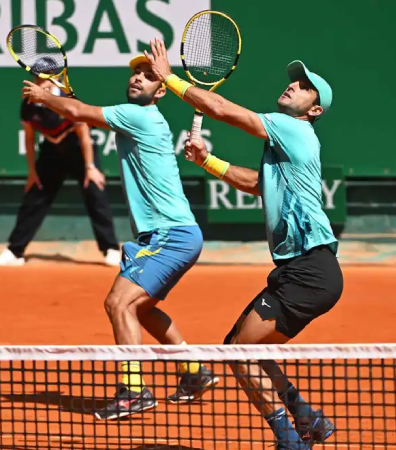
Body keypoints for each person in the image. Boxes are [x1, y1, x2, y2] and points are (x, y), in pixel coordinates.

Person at [144, 40, 343, 449]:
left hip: (308, 270)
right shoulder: (286, 145)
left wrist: (170, 79)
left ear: (314, 109)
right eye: (294, 81)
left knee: (235, 353)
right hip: (305, 271)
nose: (293, 86)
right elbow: (258, 184)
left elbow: (224, 111)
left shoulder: (293, 128)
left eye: (304, 86)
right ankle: (309, 419)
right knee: (247, 348)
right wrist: (208, 162)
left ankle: (290, 441)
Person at [21, 55, 218, 420]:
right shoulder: (137, 116)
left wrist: (44, 96)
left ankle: (134, 391)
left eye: (148, 76)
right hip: (169, 235)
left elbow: (78, 113)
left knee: (118, 304)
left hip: (170, 234)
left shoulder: (139, 116)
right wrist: (59, 100)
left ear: (161, 91)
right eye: (135, 73)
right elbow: (79, 111)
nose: (137, 79)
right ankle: (194, 371)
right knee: (140, 308)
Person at [0, 59, 121, 267]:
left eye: (45, 77)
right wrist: (32, 172)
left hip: (79, 149)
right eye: (37, 77)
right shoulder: (28, 105)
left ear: (57, 78)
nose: (40, 82)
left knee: (95, 192)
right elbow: (30, 138)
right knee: (35, 196)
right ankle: (14, 252)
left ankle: (111, 249)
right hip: (52, 152)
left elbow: (84, 134)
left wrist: (90, 167)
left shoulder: (68, 99)